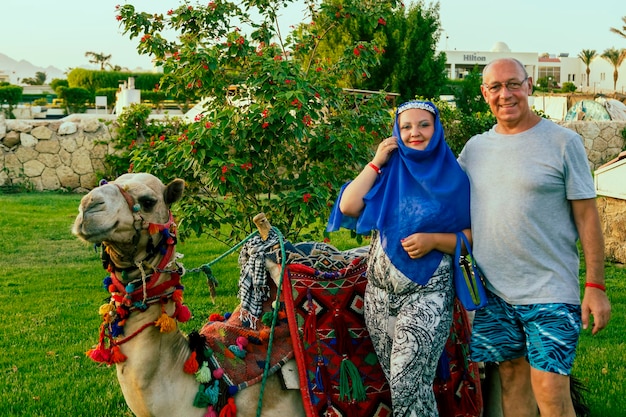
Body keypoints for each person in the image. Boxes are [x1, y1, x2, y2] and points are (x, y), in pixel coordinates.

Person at [457, 58, 611, 417]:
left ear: (528, 86)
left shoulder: (562, 142)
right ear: (484, 94)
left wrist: (596, 286)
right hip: (494, 292)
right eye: (495, 87)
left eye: (513, 84)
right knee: (511, 381)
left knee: (551, 393)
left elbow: (588, 217)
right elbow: (440, 190)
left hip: (550, 290)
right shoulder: (475, 149)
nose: (505, 94)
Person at [326, 100, 471, 416]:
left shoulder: (455, 178)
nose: (414, 133)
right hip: (378, 298)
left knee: (407, 387)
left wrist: (433, 239)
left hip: (426, 296)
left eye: (423, 125)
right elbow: (349, 206)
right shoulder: (389, 170)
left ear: (437, 129)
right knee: (407, 389)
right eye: (406, 126)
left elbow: (474, 236)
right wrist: (377, 160)